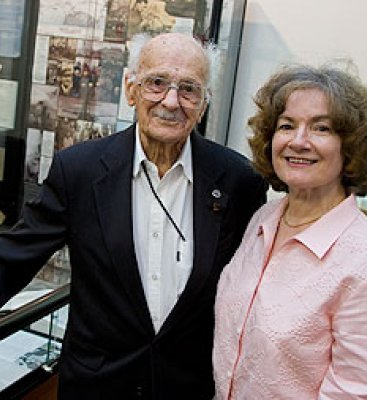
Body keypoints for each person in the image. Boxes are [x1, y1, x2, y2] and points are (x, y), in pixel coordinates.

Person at [0, 33, 266, 399]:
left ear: (203, 105)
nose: (171, 101)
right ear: (131, 89)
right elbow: (14, 256)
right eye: (156, 82)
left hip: (188, 390)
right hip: (97, 389)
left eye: (188, 89)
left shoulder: (239, 182)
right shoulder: (79, 171)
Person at [213, 64, 367, 399]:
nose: (299, 141)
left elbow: (355, 393)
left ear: (351, 146)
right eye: (287, 125)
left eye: (321, 128)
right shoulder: (264, 219)